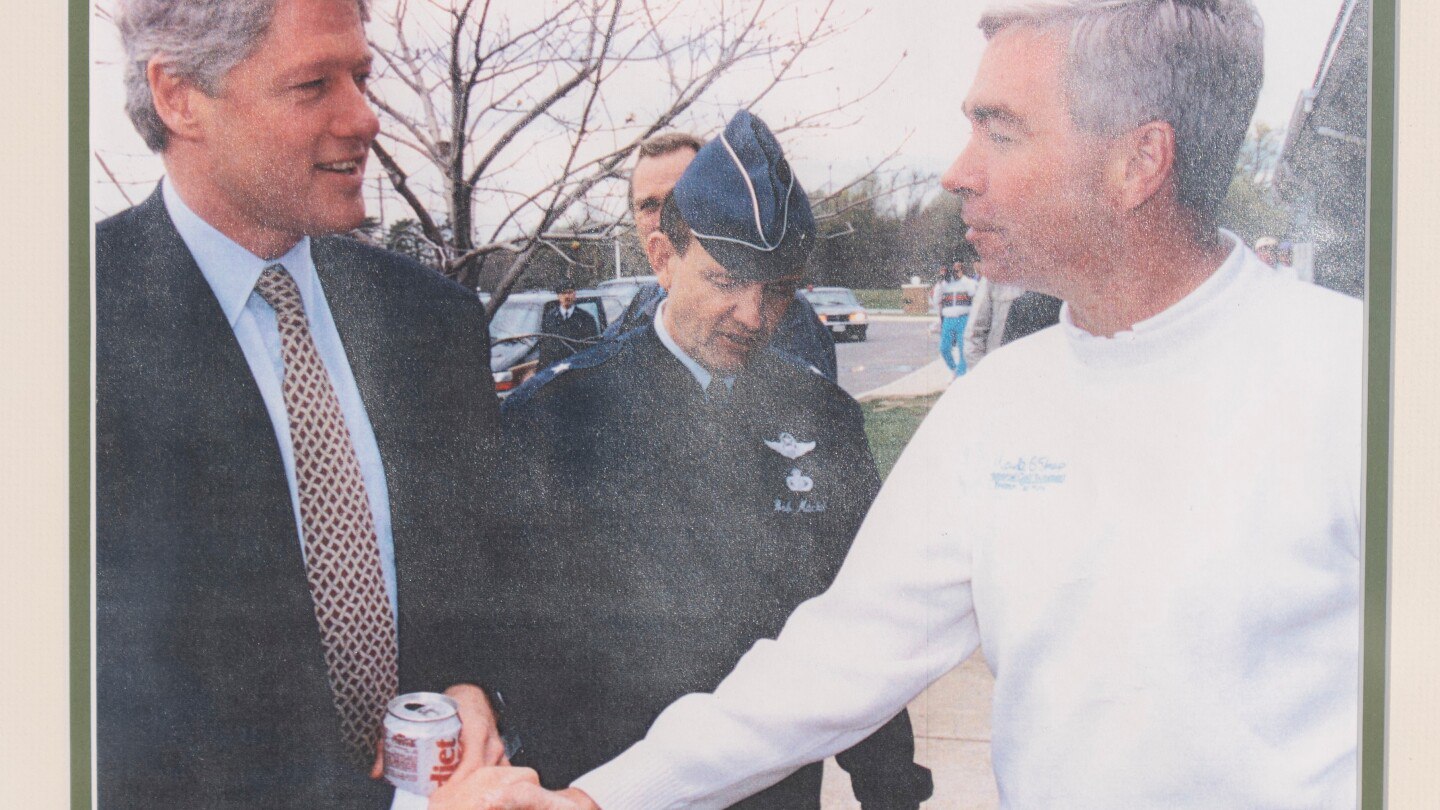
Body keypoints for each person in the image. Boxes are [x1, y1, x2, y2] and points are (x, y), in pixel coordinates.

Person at [445, 1, 1363, 807]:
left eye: (1001, 132)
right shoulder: (997, 404)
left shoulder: (1367, 389)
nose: (957, 171)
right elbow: (836, 663)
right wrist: (598, 799)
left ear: (1138, 162)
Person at [97, 0, 510, 805]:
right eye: (312, 85)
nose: (364, 119)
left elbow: (487, 582)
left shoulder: (433, 323)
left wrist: (475, 686)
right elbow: (114, 720)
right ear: (179, 96)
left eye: (361, 76)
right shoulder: (61, 337)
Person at [483, 110, 932, 810]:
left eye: (777, 290)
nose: (753, 316)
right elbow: (511, 645)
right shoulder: (556, 417)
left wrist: (891, 790)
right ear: (663, 258)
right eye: (726, 280)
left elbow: (855, 623)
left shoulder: (823, 419)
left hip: (774, 793)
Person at [603, 131, 840, 383]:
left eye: (679, 197)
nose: (664, 218)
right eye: (648, 205)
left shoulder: (784, 315)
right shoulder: (636, 313)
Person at [961, 275, 1025, 368]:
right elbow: (974, 333)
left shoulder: (1046, 276)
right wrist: (983, 371)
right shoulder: (994, 276)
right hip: (999, 367)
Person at [931, 260, 979, 375]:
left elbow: (976, 298)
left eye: (958, 270)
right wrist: (940, 283)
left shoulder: (969, 283)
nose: (955, 272)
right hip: (948, 319)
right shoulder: (944, 285)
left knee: (963, 348)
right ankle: (954, 368)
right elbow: (936, 300)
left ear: (962, 270)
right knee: (944, 348)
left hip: (963, 318)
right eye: (954, 270)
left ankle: (961, 374)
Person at [538, 284, 600, 371]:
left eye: (570, 292)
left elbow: (592, 346)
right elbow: (544, 348)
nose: (567, 296)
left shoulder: (586, 318)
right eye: (563, 293)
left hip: (579, 368)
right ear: (558, 296)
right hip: (556, 369)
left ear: (575, 295)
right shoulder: (549, 318)